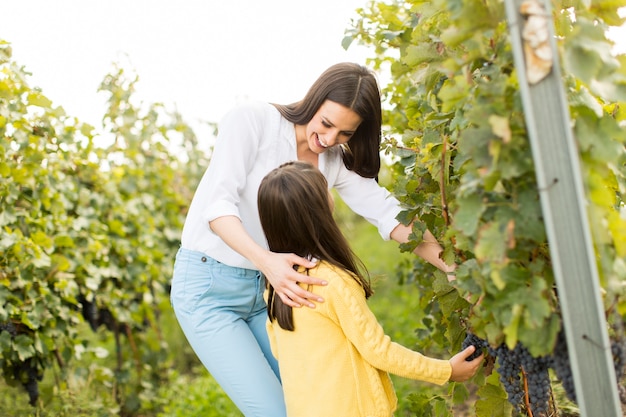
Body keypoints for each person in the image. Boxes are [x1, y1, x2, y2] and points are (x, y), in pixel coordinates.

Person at [170, 62, 457, 416]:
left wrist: (453, 265)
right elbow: (216, 209)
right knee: (275, 411)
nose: (330, 139)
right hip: (209, 289)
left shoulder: (332, 159)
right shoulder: (253, 121)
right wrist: (268, 262)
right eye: (326, 123)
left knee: (309, 402)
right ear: (314, 100)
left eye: (346, 133)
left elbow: (387, 214)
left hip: (270, 289)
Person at [258, 161, 482, 417]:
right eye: (325, 190)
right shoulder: (331, 281)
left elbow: (279, 349)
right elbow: (378, 351)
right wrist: (446, 371)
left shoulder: (277, 286)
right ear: (317, 211)